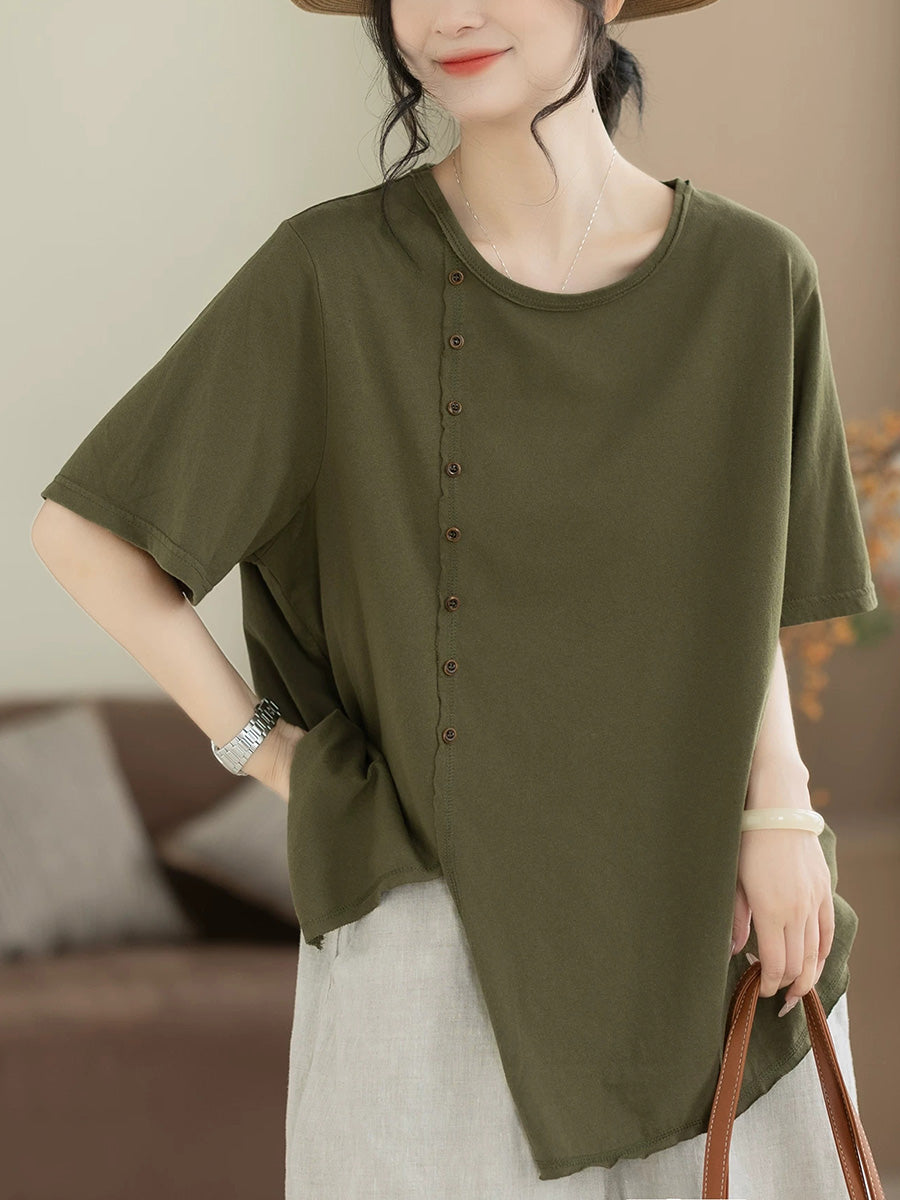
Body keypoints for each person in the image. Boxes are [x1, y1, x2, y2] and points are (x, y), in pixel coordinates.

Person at [33, 0, 879, 1196]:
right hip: (431, 930)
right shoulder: (328, 275)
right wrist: (269, 753)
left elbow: (744, 584)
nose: (448, 13)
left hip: (713, 915)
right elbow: (86, 534)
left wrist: (780, 809)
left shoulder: (755, 278)